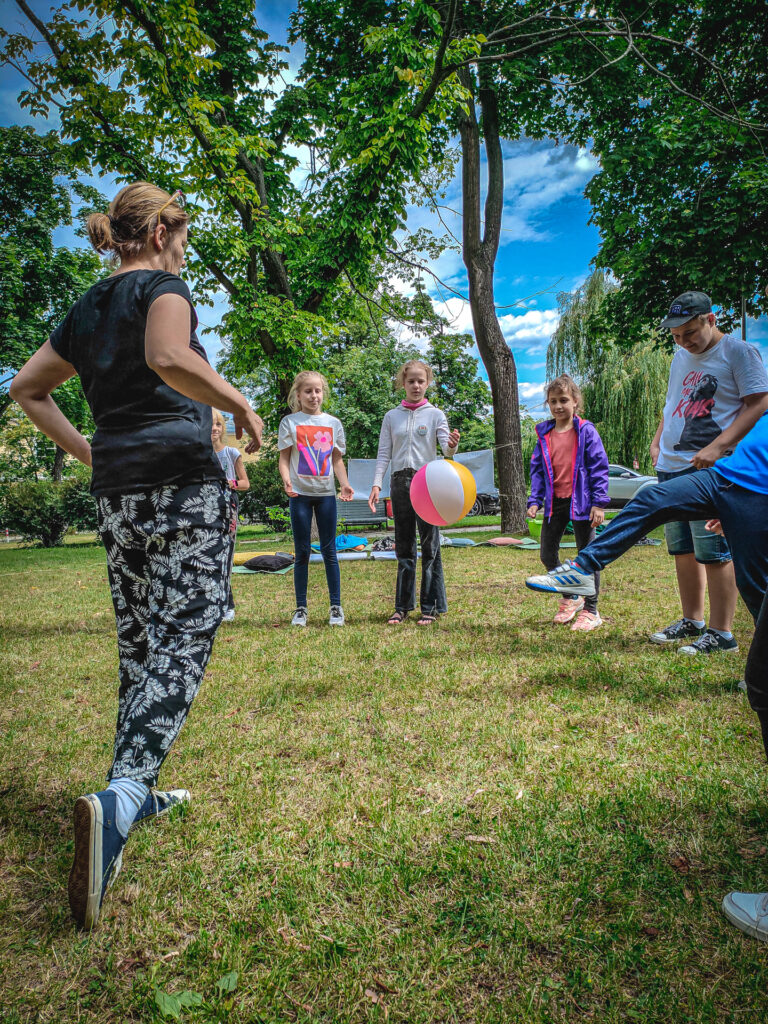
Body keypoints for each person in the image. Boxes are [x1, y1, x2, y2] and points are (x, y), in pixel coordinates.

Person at [8, 182, 263, 930]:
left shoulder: (84, 308)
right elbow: (166, 356)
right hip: (184, 486)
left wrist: (93, 453)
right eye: (180, 235)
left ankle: (135, 786)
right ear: (156, 230)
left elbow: (28, 388)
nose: (184, 248)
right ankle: (122, 799)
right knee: (186, 634)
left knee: (143, 642)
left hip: (119, 495)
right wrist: (238, 400)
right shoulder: (164, 285)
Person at [523, 409, 768, 940]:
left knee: (759, 610)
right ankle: (586, 566)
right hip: (733, 480)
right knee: (655, 498)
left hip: (755, 496)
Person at [647, 291, 768, 654]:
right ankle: (693, 620)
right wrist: (657, 443)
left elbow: (761, 401)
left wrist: (719, 448)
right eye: (676, 336)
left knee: (714, 551)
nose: (683, 342)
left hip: (712, 470)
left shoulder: (740, 352)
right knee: (682, 549)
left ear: (710, 320)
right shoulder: (679, 357)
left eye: (690, 333)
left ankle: (722, 633)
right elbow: (673, 404)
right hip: (671, 465)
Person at [368, 359, 460, 625]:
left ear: (428, 382)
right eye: (411, 381)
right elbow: (384, 453)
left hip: (427, 482)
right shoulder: (391, 417)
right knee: (404, 546)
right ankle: (402, 607)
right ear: (403, 384)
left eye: (421, 381)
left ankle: (430, 607)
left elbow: (446, 450)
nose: (416, 386)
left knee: (430, 546)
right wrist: (376, 483)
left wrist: (452, 446)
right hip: (399, 483)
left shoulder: (435, 414)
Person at [527, 374, 609, 631]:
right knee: (546, 553)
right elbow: (538, 470)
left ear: (575, 402)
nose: (558, 406)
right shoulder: (544, 433)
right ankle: (571, 596)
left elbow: (599, 467)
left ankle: (591, 610)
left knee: (588, 557)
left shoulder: (586, 431)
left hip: (583, 503)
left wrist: (599, 503)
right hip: (555, 503)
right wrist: (535, 500)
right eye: (553, 401)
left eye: (563, 400)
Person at [278, 371, 353, 627]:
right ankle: (300, 608)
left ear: (323, 393)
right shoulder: (290, 423)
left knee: (329, 550)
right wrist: (286, 479)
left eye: (318, 390)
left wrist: (344, 484)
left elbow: (336, 459)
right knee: (301, 553)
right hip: (299, 495)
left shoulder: (333, 423)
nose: (314, 395)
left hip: (326, 496)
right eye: (308, 391)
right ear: (298, 395)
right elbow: (284, 458)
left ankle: (336, 607)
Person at [211, 409, 250, 622]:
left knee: (225, 554)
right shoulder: (199, 454)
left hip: (227, 506)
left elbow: (245, 483)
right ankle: (211, 603)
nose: (214, 429)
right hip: (204, 508)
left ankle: (228, 604)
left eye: (217, 424)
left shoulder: (231, 454)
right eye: (210, 424)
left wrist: (227, 482)